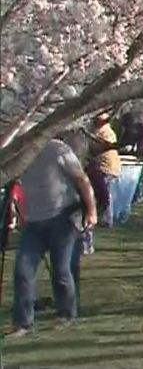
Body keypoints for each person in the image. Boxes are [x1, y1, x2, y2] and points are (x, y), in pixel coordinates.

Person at [10, 134, 98, 335]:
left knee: (61, 269)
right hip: (33, 221)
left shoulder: (57, 149)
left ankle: (66, 314)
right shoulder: (19, 156)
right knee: (23, 270)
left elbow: (82, 180)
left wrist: (91, 211)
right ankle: (23, 323)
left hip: (62, 216)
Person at [89, 113, 120, 227]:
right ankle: (104, 217)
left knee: (105, 193)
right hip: (106, 166)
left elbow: (99, 148)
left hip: (105, 167)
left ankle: (107, 219)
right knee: (104, 193)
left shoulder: (103, 133)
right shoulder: (106, 132)